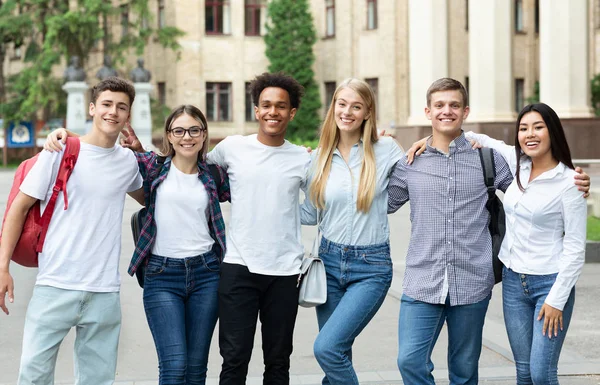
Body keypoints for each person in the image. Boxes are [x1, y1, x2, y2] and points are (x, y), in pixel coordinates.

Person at [392, 78, 591, 385]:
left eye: (455, 105)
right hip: (423, 281)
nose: (447, 111)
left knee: (466, 371)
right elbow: (383, 203)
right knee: (409, 361)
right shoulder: (411, 162)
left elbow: (529, 198)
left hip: (472, 282)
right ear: (427, 112)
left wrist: (575, 185)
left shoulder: (488, 159)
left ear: (466, 110)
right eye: (440, 106)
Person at [44, 104, 231, 385]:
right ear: (168, 135)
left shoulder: (215, 175)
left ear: (204, 135)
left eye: (194, 130)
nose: (187, 137)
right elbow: (103, 143)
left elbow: (253, 183)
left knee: (196, 368)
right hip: (161, 276)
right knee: (175, 365)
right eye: (178, 130)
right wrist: (63, 134)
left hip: (207, 274)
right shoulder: (152, 166)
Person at [0, 77, 143, 385]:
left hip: (104, 292)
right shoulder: (60, 151)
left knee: (97, 380)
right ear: (92, 108)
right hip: (55, 284)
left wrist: (143, 151)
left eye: (121, 107)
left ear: (128, 116)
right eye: (106, 104)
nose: (113, 112)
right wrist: (3, 268)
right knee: (33, 377)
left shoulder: (128, 162)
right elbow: (18, 208)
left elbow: (154, 196)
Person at [464, 104, 587, 384]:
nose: (529, 134)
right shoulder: (516, 164)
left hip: (550, 284)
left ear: (552, 131)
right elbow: (478, 137)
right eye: (523, 128)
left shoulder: (570, 182)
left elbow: (576, 248)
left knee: (541, 373)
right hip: (513, 283)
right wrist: (423, 142)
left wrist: (556, 300)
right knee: (523, 371)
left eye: (538, 127)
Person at [208, 72, 310, 385]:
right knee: (234, 359)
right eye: (266, 105)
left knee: (278, 362)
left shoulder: (303, 159)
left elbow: (317, 208)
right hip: (238, 268)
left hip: (285, 271)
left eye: (281, 106)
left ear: (291, 112)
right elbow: (189, 166)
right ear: (256, 110)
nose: (273, 112)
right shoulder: (231, 148)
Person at [300, 78, 402, 384]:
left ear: (367, 112)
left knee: (327, 348)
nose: (347, 112)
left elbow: (419, 174)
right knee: (338, 353)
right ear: (333, 108)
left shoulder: (386, 150)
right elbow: (309, 213)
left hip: (370, 268)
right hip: (328, 265)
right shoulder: (317, 157)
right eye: (341, 104)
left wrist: (429, 144)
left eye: (356, 106)